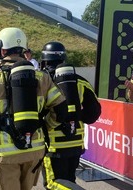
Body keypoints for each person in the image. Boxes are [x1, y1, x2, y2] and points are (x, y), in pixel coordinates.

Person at [0, 27, 68, 190]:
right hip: (34, 151)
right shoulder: (42, 78)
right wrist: (45, 126)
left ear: (2, 49)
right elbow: (61, 110)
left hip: (5, 155)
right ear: (23, 49)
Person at [40, 41, 101, 189]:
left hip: (53, 146)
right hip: (75, 143)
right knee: (69, 181)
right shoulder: (81, 82)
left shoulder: (43, 82)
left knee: (53, 184)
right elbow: (93, 114)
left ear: (45, 60)